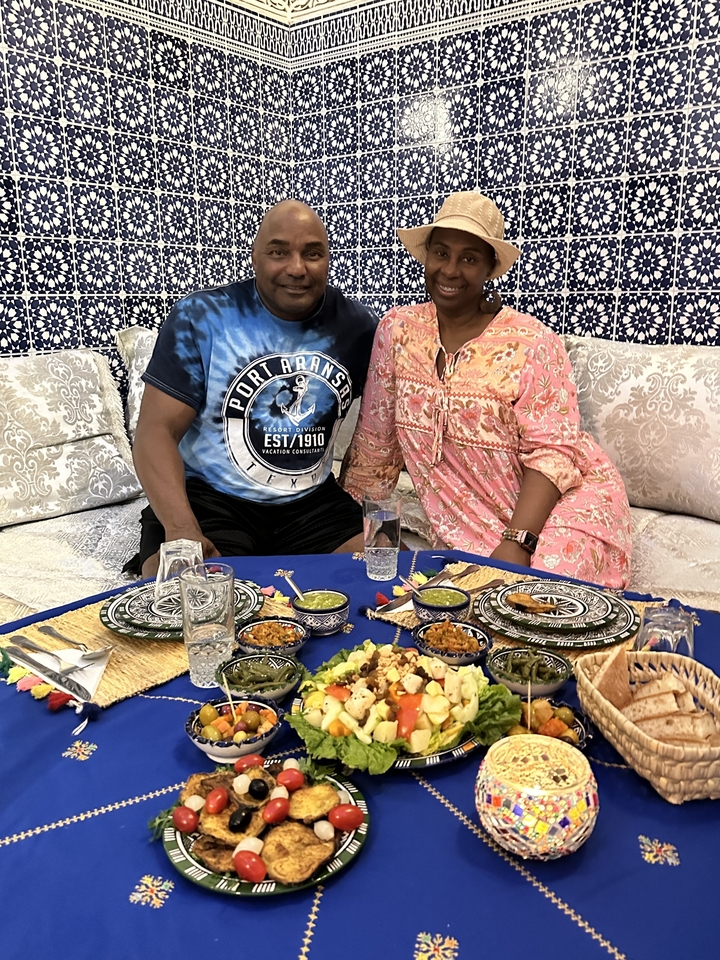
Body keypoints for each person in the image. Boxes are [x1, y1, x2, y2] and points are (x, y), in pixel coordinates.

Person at [340, 192, 632, 588]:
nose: (450, 270)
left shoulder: (533, 341)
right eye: (441, 253)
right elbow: (376, 442)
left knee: (538, 599)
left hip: (560, 506)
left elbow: (552, 453)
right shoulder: (398, 331)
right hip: (465, 524)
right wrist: (351, 528)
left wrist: (517, 542)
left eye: (469, 258)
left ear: (492, 268)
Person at [130, 199, 377, 577]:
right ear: (255, 257)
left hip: (311, 503)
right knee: (192, 603)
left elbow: (392, 416)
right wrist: (182, 530)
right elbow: (155, 431)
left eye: (313, 253)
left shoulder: (358, 328)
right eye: (279, 252)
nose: (297, 268)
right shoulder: (202, 318)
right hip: (210, 500)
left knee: (393, 577)